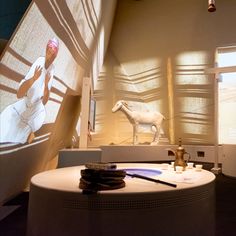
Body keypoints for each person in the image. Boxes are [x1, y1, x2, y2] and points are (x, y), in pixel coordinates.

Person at [0, 38, 59, 144]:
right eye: (49, 52)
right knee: (7, 119)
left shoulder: (51, 70)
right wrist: (33, 79)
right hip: (24, 105)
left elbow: (45, 101)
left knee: (41, 115)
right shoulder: (39, 63)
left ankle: (27, 133)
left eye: (53, 54)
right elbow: (19, 94)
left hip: (34, 110)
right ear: (46, 50)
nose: (50, 57)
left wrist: (46, 85)